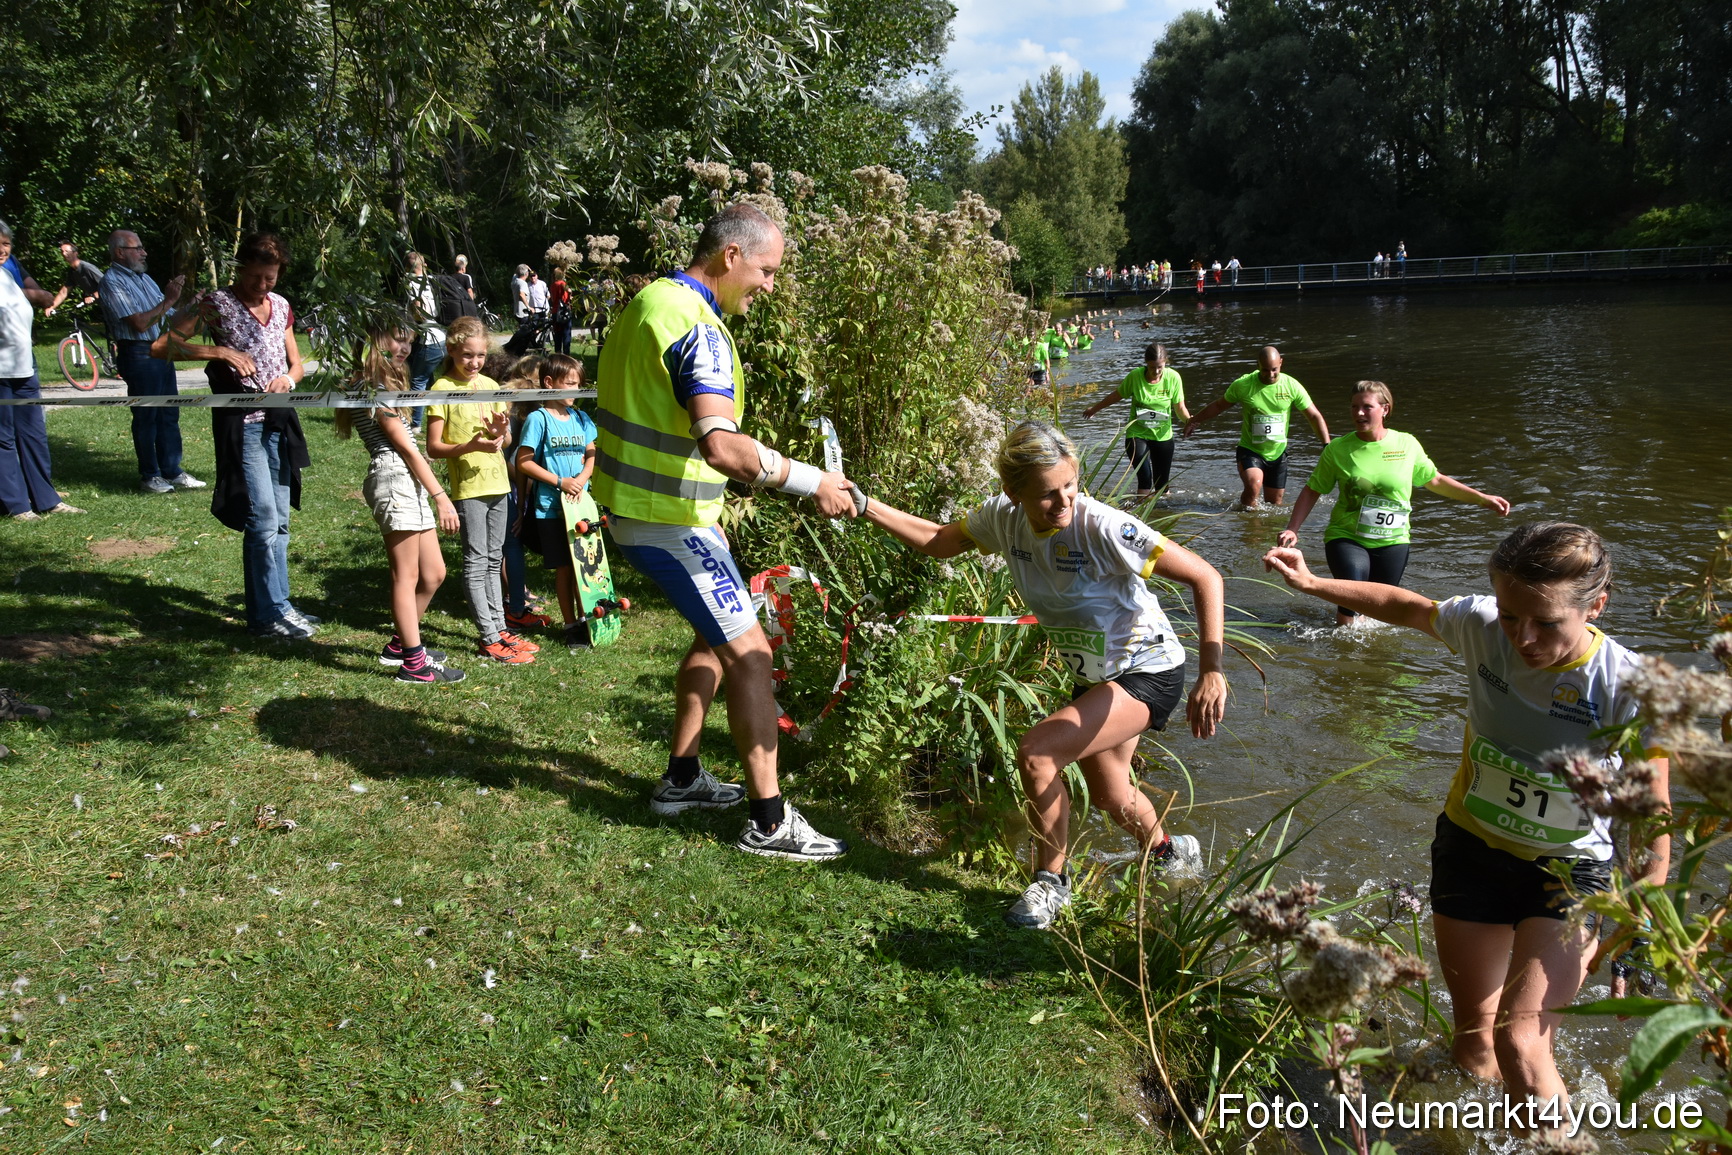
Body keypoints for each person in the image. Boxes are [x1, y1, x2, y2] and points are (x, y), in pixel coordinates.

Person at [1262, 523, 1669, 1109]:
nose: (1523, 637)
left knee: (1521, 1044)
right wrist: (1312, 584)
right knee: (1475, 1047)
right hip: (1471, 852)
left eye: (1547, 622)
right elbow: (1407, 607)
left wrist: (1640, 920)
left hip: (1569, 873)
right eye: (1510, 615)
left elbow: (1653, 817)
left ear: (1596, 606)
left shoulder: (1630, 688)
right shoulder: (1481, 626)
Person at [860, 420, 1227, 928]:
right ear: (1014, 494)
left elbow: (1206, 576)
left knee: (1037, 754)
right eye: (1047, 494)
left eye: (1070, 486)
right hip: (1096, 675)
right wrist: (865, 505)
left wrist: (1212, 671)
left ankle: (1051, 883)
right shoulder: (1001, 518)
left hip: (1150, 668)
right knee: (1111, 795)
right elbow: (938, 540)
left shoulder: (1103, 527)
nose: (1064, 502)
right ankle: (1171, 852)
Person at [593, 202, 858, 860]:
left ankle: (682, 778)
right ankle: (769, 822)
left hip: (650, 514)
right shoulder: (699, 327)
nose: (768, 286)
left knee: (713, 641)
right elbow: (721, 446)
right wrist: (814, 482)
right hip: (669, 522)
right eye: (766, 271)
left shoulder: (649, 303)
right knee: (752, 655)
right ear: (730, 255)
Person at [163, 232, 313, 637]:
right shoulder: (216, 303)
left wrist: (288, 379)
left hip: (279, 421)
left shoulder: (281, 306)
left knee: (281, 519)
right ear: (240, 268)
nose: (262, 285)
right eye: (255, 277)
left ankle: (281, 605)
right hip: (243, 425)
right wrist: (220, 352)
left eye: (271, 278)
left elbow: (297, 364)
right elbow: (164, 345)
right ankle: (263, 617)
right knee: (262, 518)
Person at [1277, 381, 1511, 625]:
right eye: (1354, 407)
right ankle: (1342, 642)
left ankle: (1370, 648)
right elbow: (1313, 489)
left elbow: (1436, 480)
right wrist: (1293, 528)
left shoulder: (1406, 444)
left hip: (1393, 540)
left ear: (1385, 409)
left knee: (1382, 610)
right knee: (1352, 599)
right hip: (1347, 537)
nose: (1358, 413)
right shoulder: (1338, 449)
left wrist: (1481, 498)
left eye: (1367, 407)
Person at [335, 329, 465, 683]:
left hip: (409, 478)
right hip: (394, 477)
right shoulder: (369, 388)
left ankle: (400, 645)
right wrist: (441, 497)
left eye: (409, 341)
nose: (406, 348)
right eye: (398, 339)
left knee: (434, 573)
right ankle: (413, 664)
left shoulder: (385, 385)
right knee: (406, 576)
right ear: (375, 341)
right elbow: (404, 448)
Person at [425, 316, 537, 664]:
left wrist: (503, 432)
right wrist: (470, 446)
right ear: (451, 350)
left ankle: (501, 630)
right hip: (469, 488)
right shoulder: (441, 389)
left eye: (480, 355)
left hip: (499, 483)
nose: (474, 362)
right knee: (476, 562)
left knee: (493, 558)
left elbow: (506, 440)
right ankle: (488, 637)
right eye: (467, 355)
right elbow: (433, 447)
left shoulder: (489, 385)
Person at [102, 229, 204, 494]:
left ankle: (172, 471)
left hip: (162, 349)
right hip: (138, 352)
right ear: (119, 252)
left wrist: (193, 305)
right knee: (147, 414)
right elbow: (139, 323)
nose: (144, 252)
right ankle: (150, 476)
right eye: (137, 248)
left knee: (169, 413)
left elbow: (168, 318)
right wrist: (169, 298)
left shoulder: (145, 279)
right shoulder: (112, 282)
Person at [0, 218, 84, 520]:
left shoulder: (7, 275)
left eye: (6, 244)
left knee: (33, 434)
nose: (2, 250)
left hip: (24, 367)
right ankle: (17, 505)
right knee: (3, 439)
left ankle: (47, 500)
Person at [513, 353, 596, 645]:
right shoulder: (538, 419)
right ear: (549, 382)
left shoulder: (581, 418)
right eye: (569, 384)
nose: (575, 390)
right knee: (565, 568)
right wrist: (561, 482)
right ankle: (571, 625)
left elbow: (592, 454)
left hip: (581, 507)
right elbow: (524, 462)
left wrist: (581, 479)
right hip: (550, 508)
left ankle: (588, 619)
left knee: (584, 567)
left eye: (578, 384)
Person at [1182, 345, 1330, 508]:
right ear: (1257, 365)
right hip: (1250, 450)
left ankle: (1250, 520)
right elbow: (1219, 406)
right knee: (1254, 486)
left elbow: (1314, 416)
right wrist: (1194, 420)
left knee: (1274, 505)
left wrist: (1326, 445)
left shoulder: (1291, 386)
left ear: (1281, 363)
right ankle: (1246, 516)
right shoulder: (1243, 385)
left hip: (1278, 453)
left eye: (1274, 370)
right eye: (1265, 370)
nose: (1270, 375)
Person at [1082, 342, 1189, 498]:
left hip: (1163, 435)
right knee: (1145, 478)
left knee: (1162, 484)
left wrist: (1189, 421)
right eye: (1152, 367)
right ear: (1146, 363)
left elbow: (1180, 408)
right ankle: (1142, 510)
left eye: (1160, 367)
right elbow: (1116, 396)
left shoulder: (1173, 378)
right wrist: (1094, 409)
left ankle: (1161, 510)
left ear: (1166, 363)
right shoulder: (1135, 376)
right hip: (1137, 434)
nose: (1156, 371)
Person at [403, 252, 447, 415]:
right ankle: (436, 414)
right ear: (425, 265)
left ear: (407, 267)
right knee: (429, 379)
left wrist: (412, 319)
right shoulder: (431, 281)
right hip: (442, 335)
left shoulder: (411, 283)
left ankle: (415, 423)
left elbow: (419, 310)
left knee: (417, 381)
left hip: (428, 338)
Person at [46, 241, 103, 315]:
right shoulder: (72, 271)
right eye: (62, 251)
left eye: (67, 251)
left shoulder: (86, 267)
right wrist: (51, 307)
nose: (64, 254)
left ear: (75, 253)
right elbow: (64, 292)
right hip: (104, 304)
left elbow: (108, 284)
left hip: (114, 300)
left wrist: (93, 296)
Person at [548, 267, 572, 356]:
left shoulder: (552, 285)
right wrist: (570, 295)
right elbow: (568, 292)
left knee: (557, 335)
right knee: (566, 335)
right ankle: (566, 355)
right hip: (564, 312)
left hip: (555, 311)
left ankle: (557, 355)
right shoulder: (562, 283)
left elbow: (553, 298)